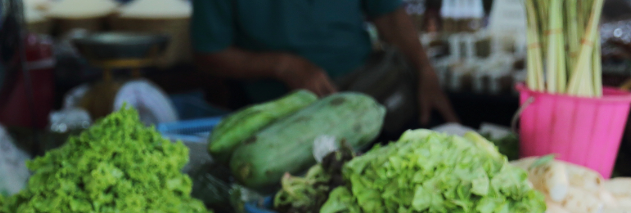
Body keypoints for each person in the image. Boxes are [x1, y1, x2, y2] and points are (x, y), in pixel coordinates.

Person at [191, 0, 457, 130]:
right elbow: (209, 53)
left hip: (365, 90)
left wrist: (425, 70)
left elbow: (388, 13)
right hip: (280, 116)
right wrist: (282, 65)